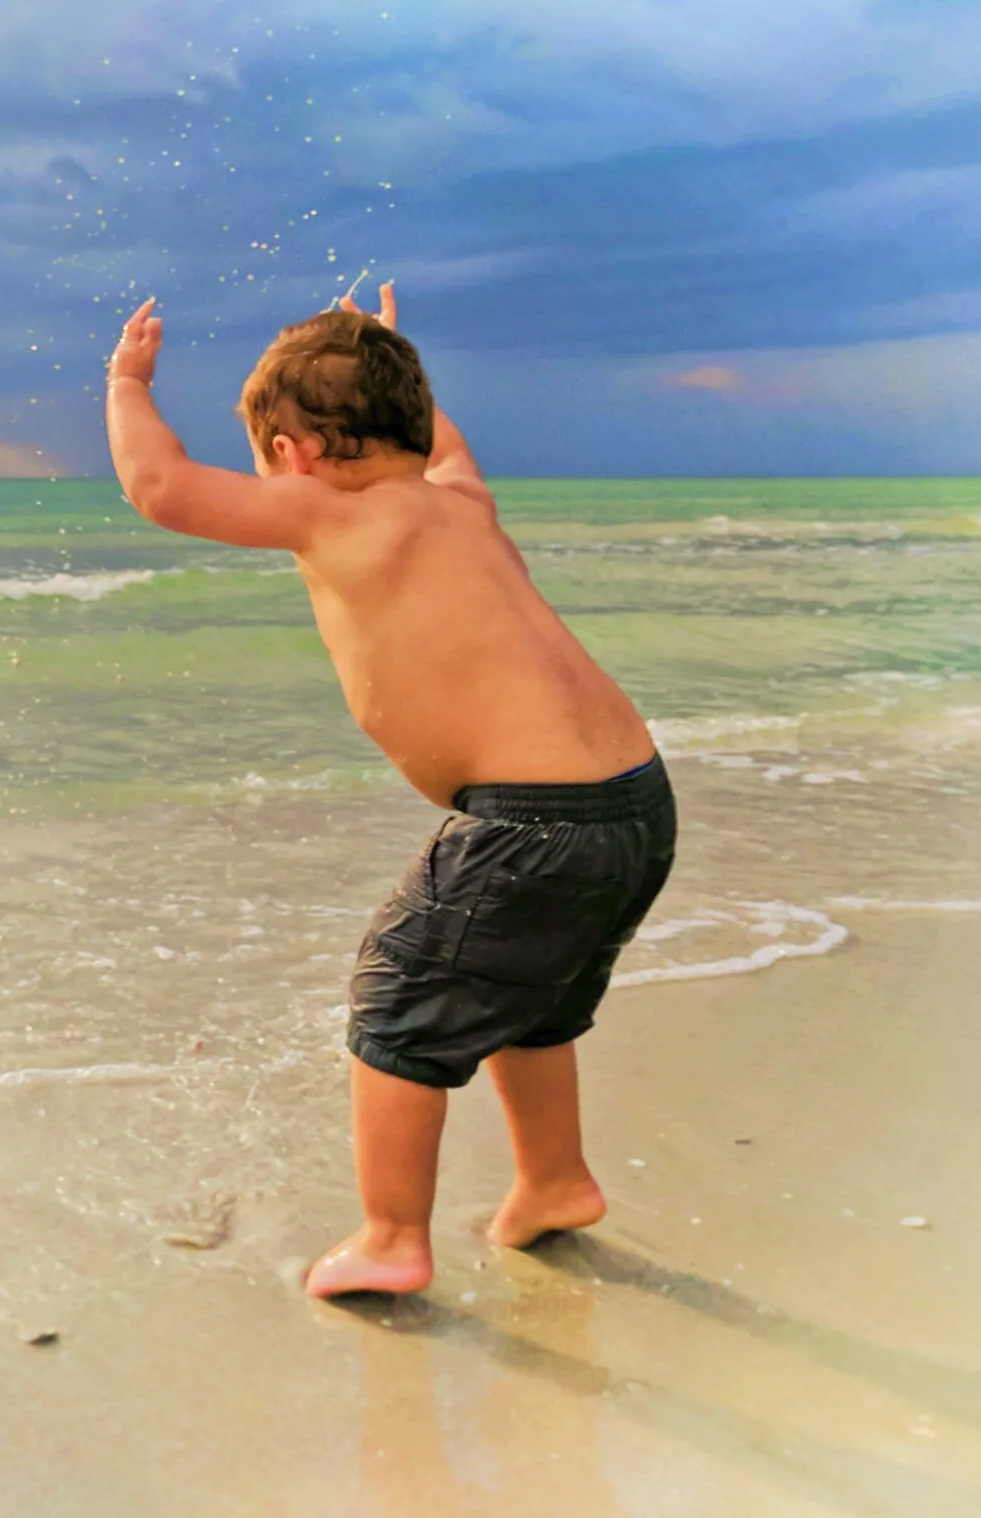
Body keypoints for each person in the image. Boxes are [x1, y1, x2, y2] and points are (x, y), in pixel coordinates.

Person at [105, 284, 676, 1297]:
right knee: (526, 1000)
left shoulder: (325, 513)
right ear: (409, 422)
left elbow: (158, 485)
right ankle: (551, 1180)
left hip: (529, 823)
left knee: (395, 1000)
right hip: (633, 804)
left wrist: (126, 384)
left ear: (292, 453)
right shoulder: (460, 500)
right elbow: (443, 444)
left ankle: (388, 1236)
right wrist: (389, 352)